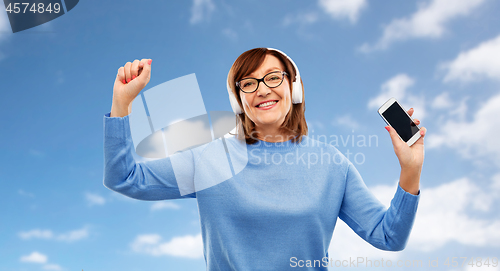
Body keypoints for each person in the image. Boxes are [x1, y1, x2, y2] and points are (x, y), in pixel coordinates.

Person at [103, 48, 426, 270]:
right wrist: (122, 104)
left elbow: (389, 237)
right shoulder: (208, 159)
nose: (262, 89)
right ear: (238, 98)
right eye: (249, 83)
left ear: (293, 87)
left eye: (273, 77)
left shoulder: (332, 164)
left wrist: (410, 170)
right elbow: (124, 178)